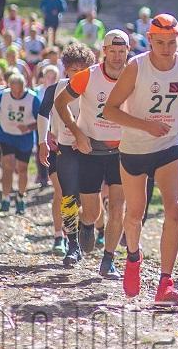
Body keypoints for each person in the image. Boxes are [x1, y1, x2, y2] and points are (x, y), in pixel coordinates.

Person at [102, 16, 178, 304]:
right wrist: (145, 125)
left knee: (175, 208)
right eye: (160, 43)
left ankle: (165, 282)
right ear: (149, 39)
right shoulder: (137, 67)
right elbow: (110, 110)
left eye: (172, 43)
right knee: (135, 214)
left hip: (169, 145)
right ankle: (133, 257)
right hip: (135, 149)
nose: (166, 49)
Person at [54, 31, 130, 273]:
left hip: (122, 150)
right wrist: (77, 133)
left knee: (117, 207)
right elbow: (60, 103)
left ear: (127, 51)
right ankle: (86, 226)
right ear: (104, 51)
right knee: (92, 212)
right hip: (91, 149)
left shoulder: (135, 76)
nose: (117, 57)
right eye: (112, 51)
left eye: (122, 52)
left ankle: (108, 260)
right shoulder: (88, 76)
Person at [37, 42, 92, 257]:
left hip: (88, 149)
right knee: (62, 193)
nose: (78, 74)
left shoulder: (95, 88)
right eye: (73, 70)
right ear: (66, 69)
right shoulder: (56, 88)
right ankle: (65, 239)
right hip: (60, 147)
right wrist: (43, 141)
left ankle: (87, 228)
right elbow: (43, 114)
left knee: (86, 198)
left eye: (82, 70)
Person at [0, 73, 41, 215]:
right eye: (14, 91)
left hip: (24, 138)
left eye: (20, 91)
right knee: (8, 165)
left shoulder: (32, 98)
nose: (17, 94)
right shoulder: (1, 96)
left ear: (24, 87)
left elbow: (42, 120)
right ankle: (5, 198)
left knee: (22, 169)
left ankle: (20, 197)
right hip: (6, 135)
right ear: (9, 87)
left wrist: (29, 127)